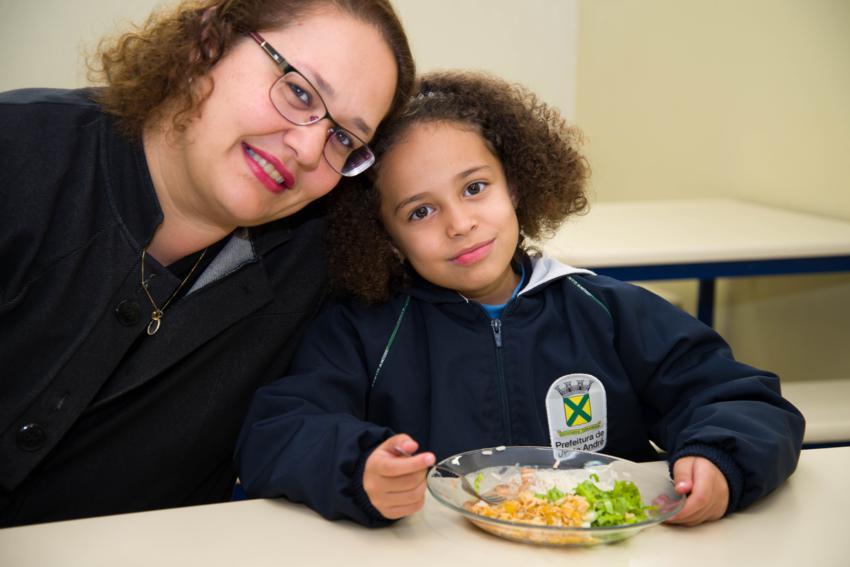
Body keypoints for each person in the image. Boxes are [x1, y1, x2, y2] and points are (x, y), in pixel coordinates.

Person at [235, 70, 805, 528]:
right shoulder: (360, 333)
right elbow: (276, 434)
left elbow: (743, 399)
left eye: (475, 188)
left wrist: (719, 459)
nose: (460, 224)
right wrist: (357, 468)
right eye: (420, 211)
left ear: (516, 184)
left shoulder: (607, 312)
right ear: (383, 234)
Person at [0, 0, 414, 527]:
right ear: (208, 44)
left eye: (343, 138)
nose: (310, 148)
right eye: (299, 91)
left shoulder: (318, 267)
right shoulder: (19, 150)